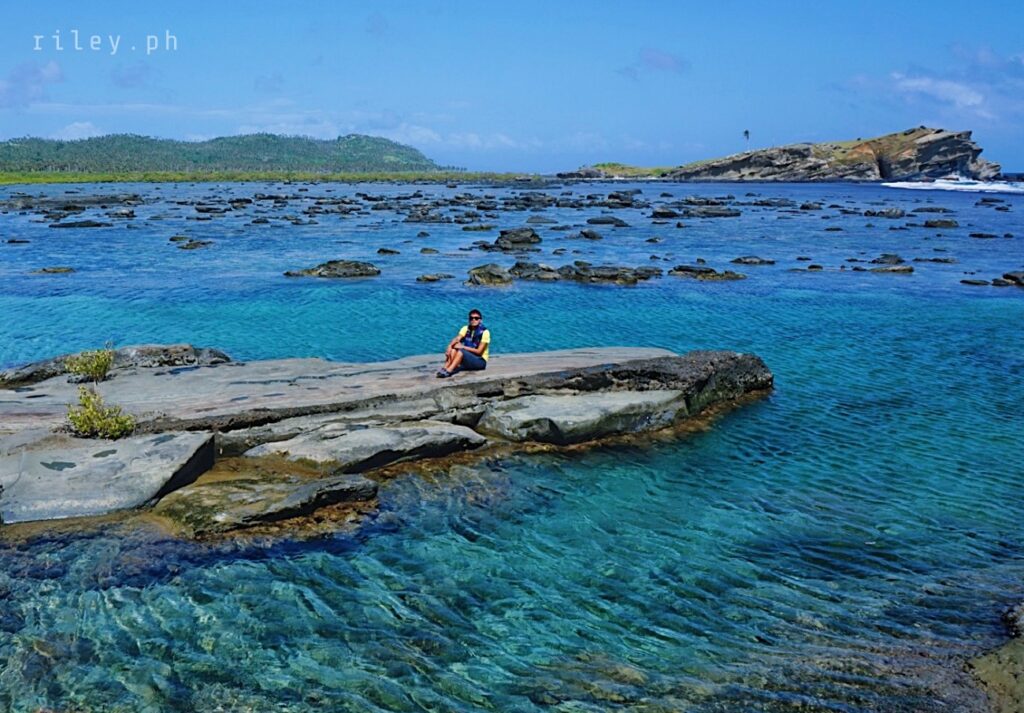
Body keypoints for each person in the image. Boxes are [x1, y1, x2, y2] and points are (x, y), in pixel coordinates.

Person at [438, 309, 490, 378]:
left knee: (461, 351)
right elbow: (457, 339)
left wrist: (463, 347)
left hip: (480, 361)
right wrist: (450, 346)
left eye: (476, 318)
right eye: (471, 318)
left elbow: (479, 352)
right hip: (469, 358)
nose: (473, 320)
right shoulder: (465, 328)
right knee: (454, 348)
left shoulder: (485, 332)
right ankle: (445, 367)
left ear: (480, 320)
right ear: (469, 320)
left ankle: (449, 371)